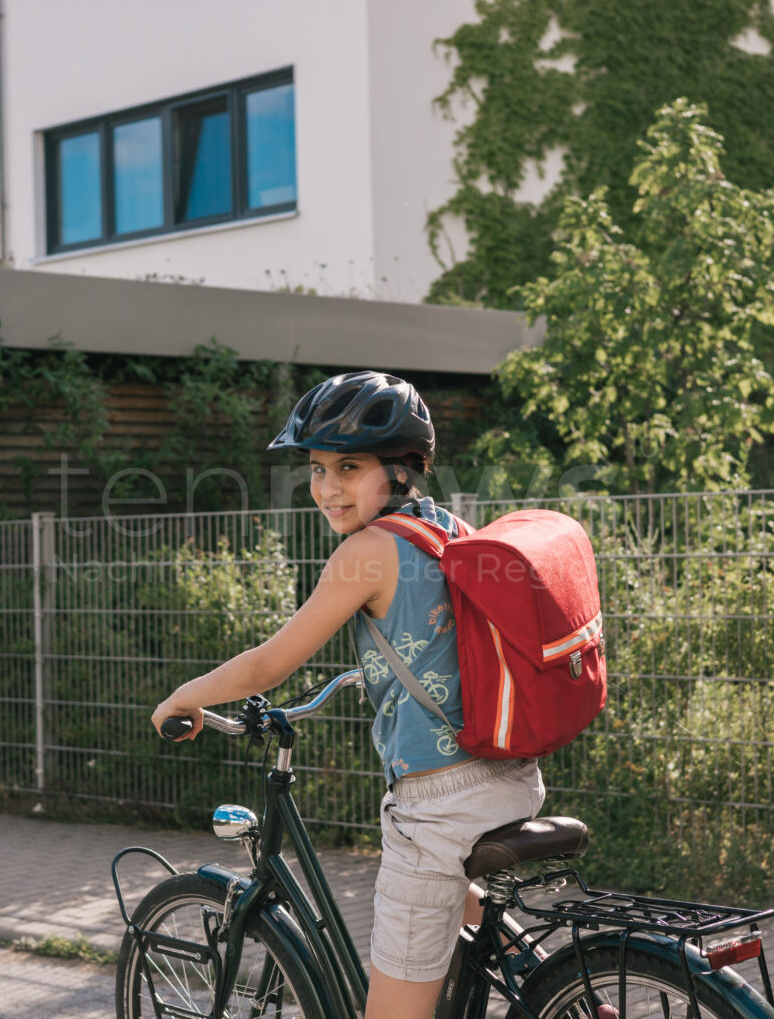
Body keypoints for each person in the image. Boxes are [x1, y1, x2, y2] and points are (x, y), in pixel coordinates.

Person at [152, 370, 545, 1019]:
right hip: (510, 778)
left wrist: (185, 697)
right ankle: (553, 986)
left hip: (439, 805)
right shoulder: (449, 527)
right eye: (316, 469)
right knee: (462, 908)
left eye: (350, 466)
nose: (327, 487)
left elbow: (268, 665)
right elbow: (447, 639)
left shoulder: (366, 552)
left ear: (402, 469)